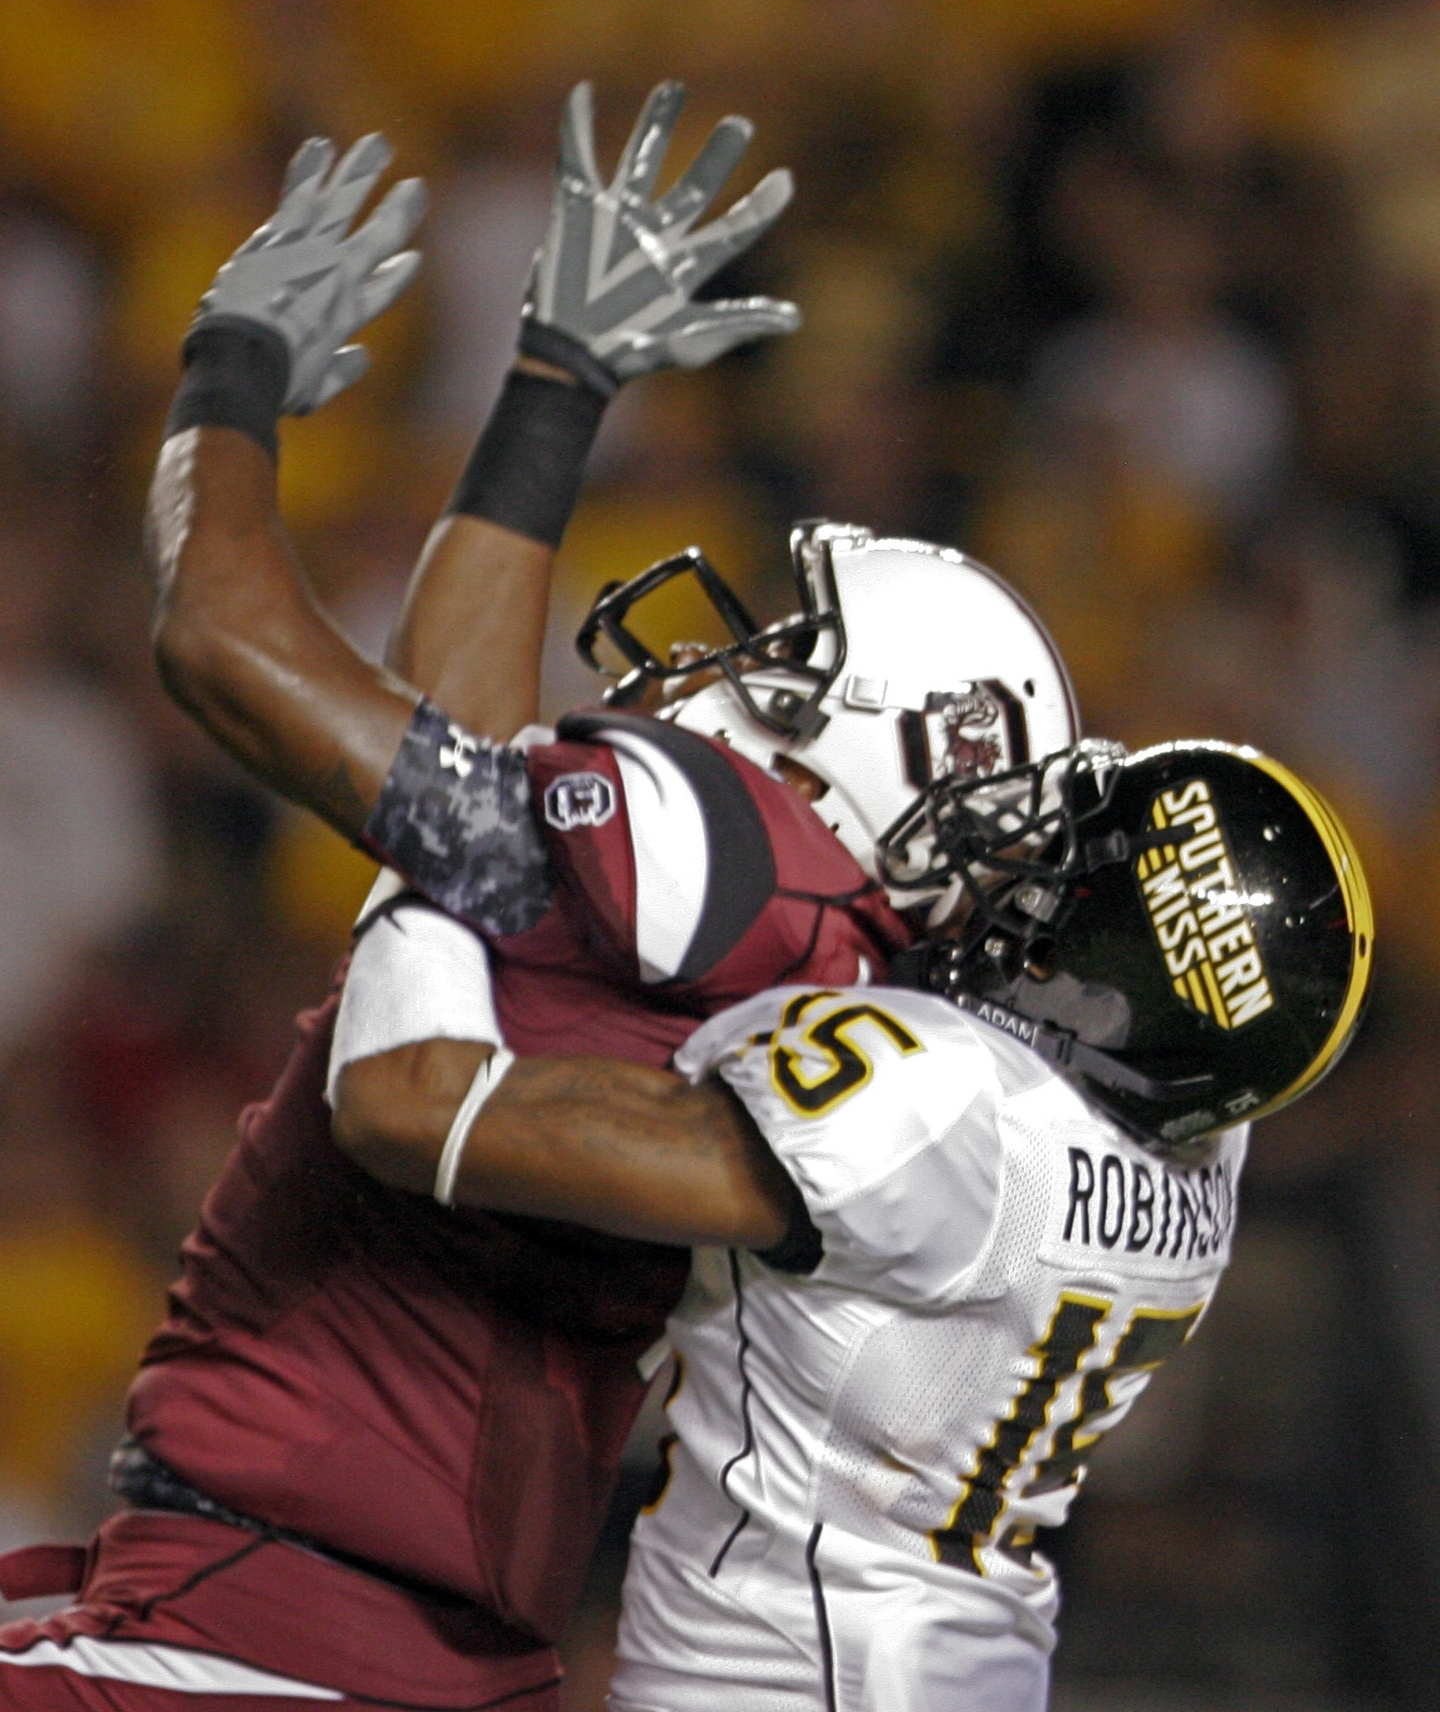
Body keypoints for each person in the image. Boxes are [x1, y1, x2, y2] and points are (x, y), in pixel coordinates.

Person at [0, 82, 1070, 1709]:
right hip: (417, 1647)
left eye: (797, 661)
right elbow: (468, 764)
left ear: (884, 753)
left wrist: (231, 370)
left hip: (257, 1632)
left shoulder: (716, 849)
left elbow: (224, 645)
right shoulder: (830, 976)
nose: (747, 667)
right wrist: (555, 393)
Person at [328, 729, 1373, 1712]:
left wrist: (444, 855)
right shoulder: (1200, 1142)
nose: (1024, 875)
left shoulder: (945, 1109)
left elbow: (412, 1103)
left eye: (1066, 874)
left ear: (1112, 972)